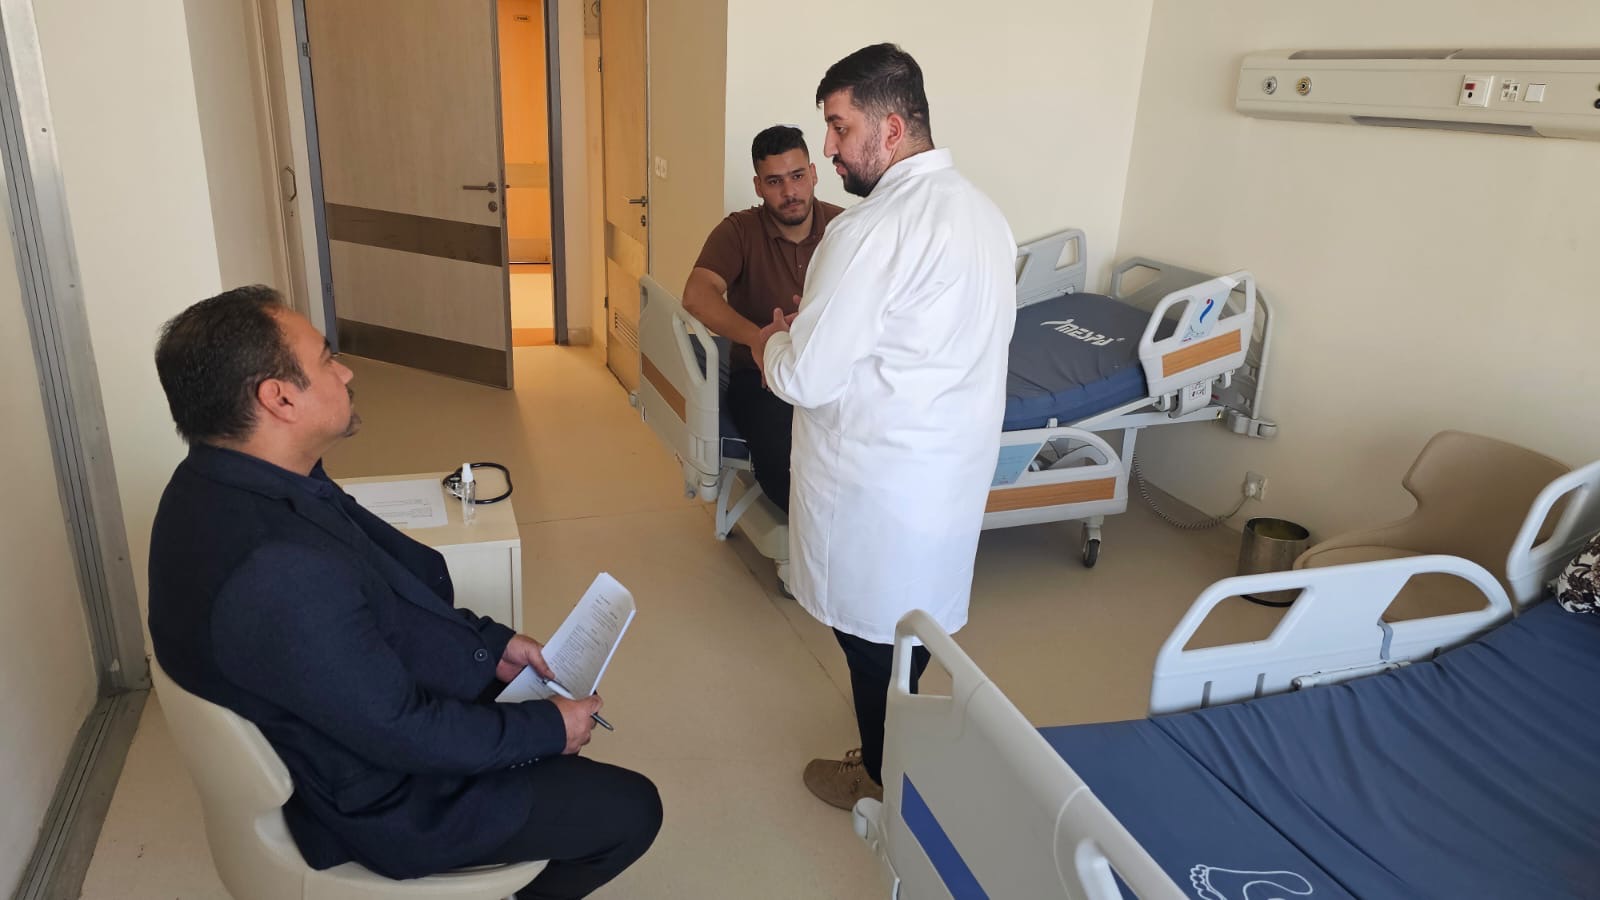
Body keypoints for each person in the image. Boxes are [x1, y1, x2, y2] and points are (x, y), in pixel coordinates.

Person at [147, 287, 661, 899]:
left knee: (547, 737)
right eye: (327, 359)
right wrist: (546, 731)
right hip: (387, 799)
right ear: (278, 398)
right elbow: (401, 732)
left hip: (355, 712)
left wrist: (494, 646)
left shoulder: (224, 482)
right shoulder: (278, 570)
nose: (346, 372)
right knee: (631, 811)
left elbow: (392, 585)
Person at [754, 44, 1017, 810]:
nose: (828, 147)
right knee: (914, 629)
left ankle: (880, 777)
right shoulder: (985, 216)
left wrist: (771, 342)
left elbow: (805, 377)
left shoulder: (869, 232)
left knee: (871, 641)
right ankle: (902, 750)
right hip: (948, 478)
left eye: (839, 127)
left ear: (892, 128)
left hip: (878, 488)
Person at [683, 124, 844, 516]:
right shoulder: (739, 231)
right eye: (774, 181)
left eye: (797, 176)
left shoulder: (844, 229)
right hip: (760, 379)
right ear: (758, 186)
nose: (789, 192)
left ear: (814, 174)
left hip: (833, 373)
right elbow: (697, 295)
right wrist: (760, 340)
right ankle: (814, 528)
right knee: (783, 465)